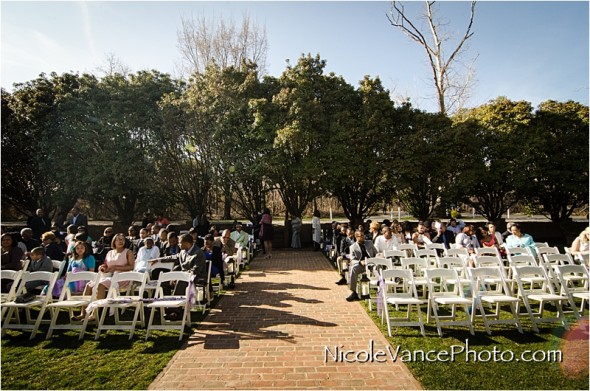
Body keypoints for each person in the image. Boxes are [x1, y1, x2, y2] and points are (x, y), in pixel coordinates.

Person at [73, 233, 135, 322]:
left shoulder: (128, 252)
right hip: (109, 276)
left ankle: (94, 314)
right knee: (89, 285)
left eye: (122, 239)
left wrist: (116, 268)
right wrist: (102, 267)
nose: (121, 241)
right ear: (114, 241)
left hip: (122, 277)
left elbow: (131, 267)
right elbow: (106, 264)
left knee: (101, 284)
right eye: (118, 239)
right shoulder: (110, 252)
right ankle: (83, 313)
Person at [156, 234, 207, 320]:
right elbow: (174, 257)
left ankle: (174, 311)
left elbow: (195, 271)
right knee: (164, 282)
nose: (178, 244)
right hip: (183, 276)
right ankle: (166, 306)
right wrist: (158, 260)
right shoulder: (183, 252)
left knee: (181, 282)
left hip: (196, 278)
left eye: (180, 243)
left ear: (187, 243)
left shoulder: (198, 253)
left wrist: (179, 276)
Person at [344, 230, 377, 302]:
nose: (363, 237)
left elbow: (375, 253)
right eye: (361, 236)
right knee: (353, 269)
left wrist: (376, 258)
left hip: (371, 263)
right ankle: (354, 292)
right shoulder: (353, 247)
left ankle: (380, 284)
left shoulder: (369, 243)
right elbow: (352, 260)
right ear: (356, 237)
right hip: (362, 265)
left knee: (378, 267)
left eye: (363, 235)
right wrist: (359, 262)